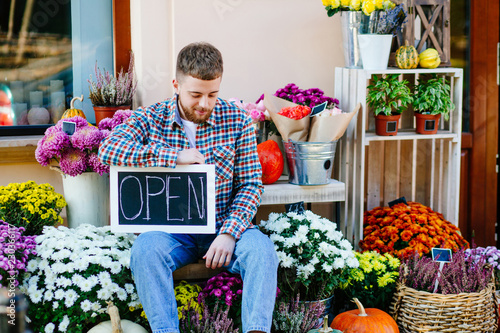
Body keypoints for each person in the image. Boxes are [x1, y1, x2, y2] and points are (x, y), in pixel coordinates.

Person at [98, 42, 278, 333]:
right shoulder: (149, 117)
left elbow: (250, 185)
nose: (204, 103)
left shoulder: (238, 120)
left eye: (212, 94)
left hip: (223, 224)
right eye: (195, 94)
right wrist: (172, 157)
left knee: (262, 250)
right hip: (171, 230)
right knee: (145, 249)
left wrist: (230, 233)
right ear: (176, 85)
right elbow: (109, 150)